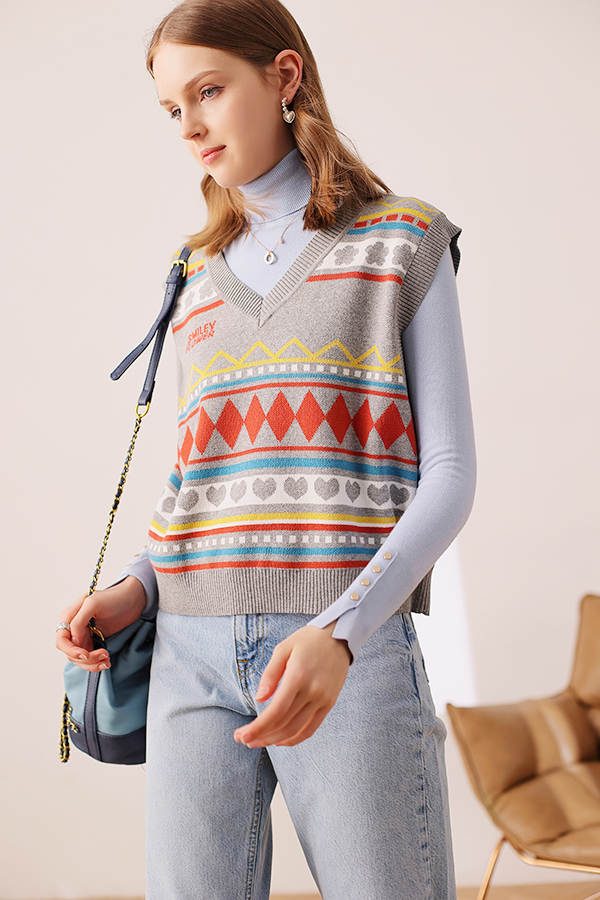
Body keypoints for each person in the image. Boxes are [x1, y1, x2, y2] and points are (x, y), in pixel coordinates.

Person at [56, 0, 476, 897]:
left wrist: (343, 632)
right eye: (172, 108)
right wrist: (137, 585)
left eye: (208, 91)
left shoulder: (403, 242)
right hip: (187, 652)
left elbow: (448, 477)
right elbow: (201, 481)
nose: (189, 126)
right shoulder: (194, 275)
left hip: (344, 641)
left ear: (285, 76)